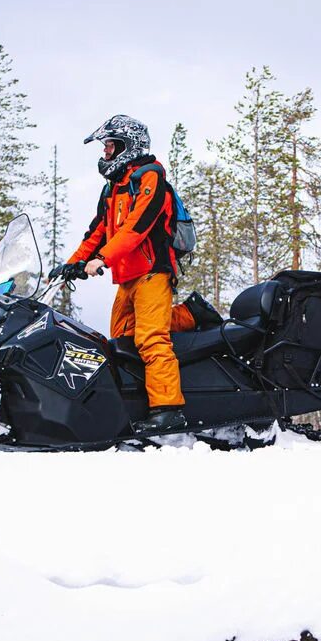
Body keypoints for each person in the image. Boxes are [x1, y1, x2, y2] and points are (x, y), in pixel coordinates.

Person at [58, 115, 219, 433]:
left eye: (109, 146)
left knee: (151, 338)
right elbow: (98, 232)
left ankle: (168, 409)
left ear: (127, 146)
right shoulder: (113, 189)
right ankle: (190, 315)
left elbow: (138, 227)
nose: (105, 152)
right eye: (105, 146)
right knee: (121, 339)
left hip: (152, 272)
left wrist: (102, 259)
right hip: (127, 277)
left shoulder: (151, 177)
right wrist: (70, 265)